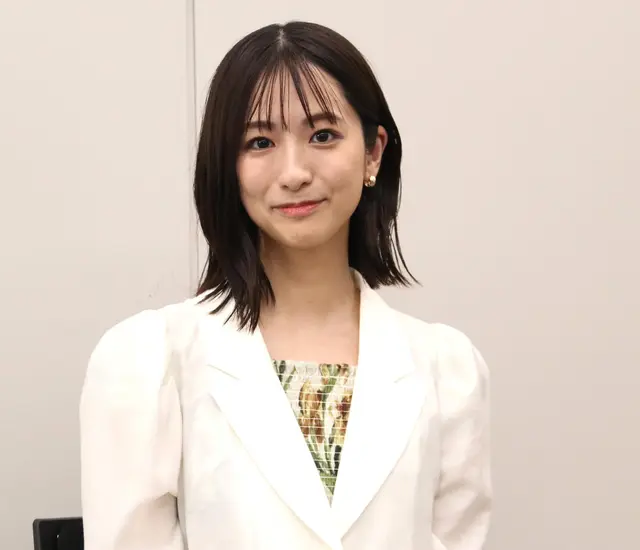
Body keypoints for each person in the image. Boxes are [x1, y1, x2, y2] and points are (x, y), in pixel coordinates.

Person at [79, 21, 491, 550]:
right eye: (260, 142)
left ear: (373, 152)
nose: (294, 172)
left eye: (323, 135)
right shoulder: (152, 362)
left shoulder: (449, 369)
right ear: (227, 167)